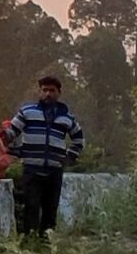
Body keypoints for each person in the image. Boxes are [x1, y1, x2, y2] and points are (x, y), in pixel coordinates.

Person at [5, 71, 83, 237]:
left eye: (52, 90)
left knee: (50, 209)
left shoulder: (67, 118)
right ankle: (29, 242)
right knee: (31, 207)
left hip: (54, 171)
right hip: (31, 169)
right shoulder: (27, 112)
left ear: (58, 93)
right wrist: (0, 140)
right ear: (39, 91)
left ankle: (47, 243)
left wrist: (69, 157)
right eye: (45, 90)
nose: (48, 94)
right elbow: (11, 132)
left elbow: (79, 139)